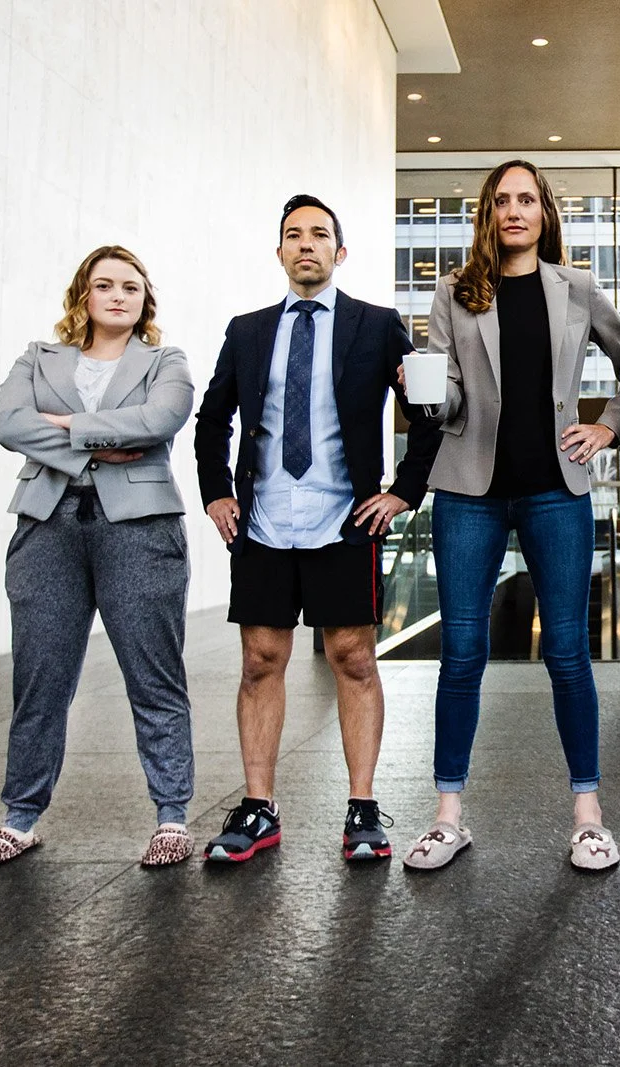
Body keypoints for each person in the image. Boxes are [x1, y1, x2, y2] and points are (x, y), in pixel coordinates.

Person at [399, 159, 620, 873]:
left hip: (556, 488)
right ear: (488, 214)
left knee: (567, 650)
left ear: (545, 211)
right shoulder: (454, 292)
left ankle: (588, 817)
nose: (515, 210)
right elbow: (451, 402)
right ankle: (447, 816)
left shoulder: (578, 289)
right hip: (469, 488)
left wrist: (608, 428)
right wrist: (427, 395)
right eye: (502, 200)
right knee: (463, 649)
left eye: (527, 199)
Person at [194, 194, 439, 863]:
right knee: (259, 662)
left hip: (344, 522)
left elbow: (429, 410)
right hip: (265, 523)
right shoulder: (247, 331)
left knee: (354, 660)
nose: (307, 244)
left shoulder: (377, 324)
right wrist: (216, 491)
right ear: (279, 252)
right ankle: (258, 807)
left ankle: (362, 808)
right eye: (294, 235)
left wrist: (402, 492)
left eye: (320, 234)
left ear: (340, 251)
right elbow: (212, 417)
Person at [0, 246, 196, 870]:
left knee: (154, 676)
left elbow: (162, 418)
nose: (118, 295)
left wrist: (63, 427)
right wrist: (99, 438)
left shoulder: (165, 360)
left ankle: (172, 815)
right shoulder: (38, 357)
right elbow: (8, 423)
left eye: (131, 286)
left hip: (139, 528)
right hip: (48, 526)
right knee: (40, 677)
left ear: (145, 299)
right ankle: (19, 819)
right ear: (83, 296)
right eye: (104, 285)